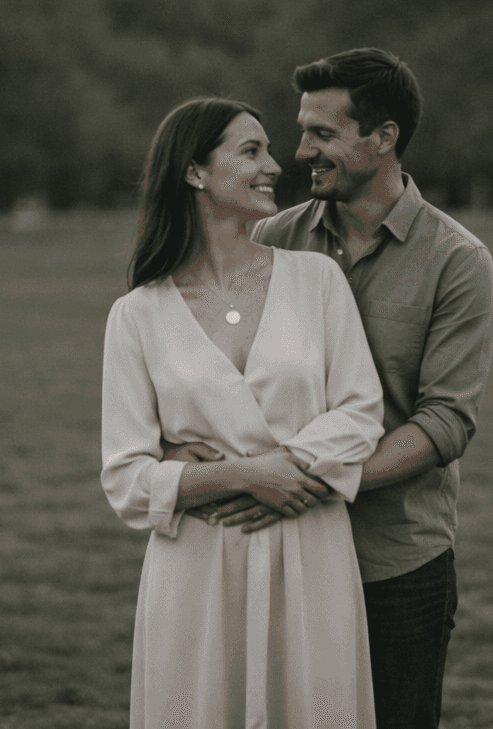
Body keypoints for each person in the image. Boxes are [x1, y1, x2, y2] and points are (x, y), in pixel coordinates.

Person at [174, 49, 493, 729]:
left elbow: (444, 422)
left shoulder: (457, 260)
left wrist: (310, 482)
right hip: (273, 554)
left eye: (323, 133)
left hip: (394, 563)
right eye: (303, 131)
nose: (301, 151)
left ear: (383, 140)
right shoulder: (270, 238)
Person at [100, 96, 385, 729]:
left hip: (308, 548)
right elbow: (125, 478)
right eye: (250, 151)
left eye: (269, 150)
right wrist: (236, 478)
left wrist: (283, 468)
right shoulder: (137, 315)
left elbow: (361, 410)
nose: (275, 166)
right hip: (198, 567)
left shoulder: (316, 281)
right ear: (195, 171)